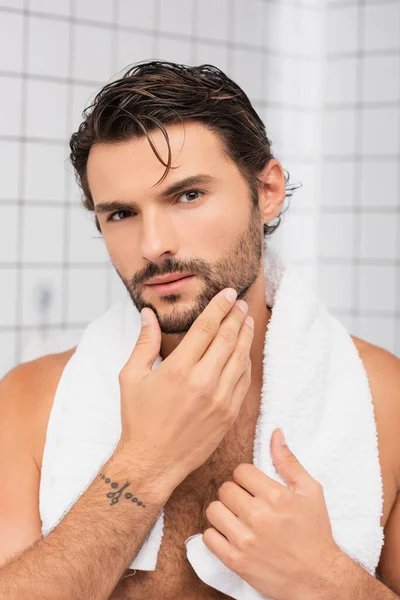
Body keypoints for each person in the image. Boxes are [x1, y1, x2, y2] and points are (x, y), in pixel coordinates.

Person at [1, 60, 400, 599]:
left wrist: (326, 579)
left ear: (267, 192)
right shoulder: (31, 402)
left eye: (187, 195)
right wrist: (145, 464)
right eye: (120, 214)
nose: (153, 246)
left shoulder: (384, 400)